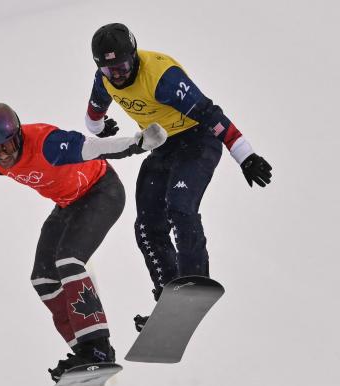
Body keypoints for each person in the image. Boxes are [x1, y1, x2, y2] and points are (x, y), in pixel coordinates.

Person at [0, 102, 167, 382]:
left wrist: (139, 142)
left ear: (18, 135)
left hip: (102, 191)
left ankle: (99, 348)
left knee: (69, 260)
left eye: (7, 146)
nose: (3, 155)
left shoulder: (47, 143)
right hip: (68, 205)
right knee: (43, 278)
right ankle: (84, 349)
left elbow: (95, 148)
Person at [84, 23, 273, 330]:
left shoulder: (162, 77)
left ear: (134, 56)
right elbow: (93, 115)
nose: (116, 75)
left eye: (121, 67)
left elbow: (211, 114)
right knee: (146, 226)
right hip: (163, 146)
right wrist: (100, 127)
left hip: (197, 141)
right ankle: (168, 296)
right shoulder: (103, 81)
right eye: (108, 70)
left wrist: (245, 155)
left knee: (180, 207)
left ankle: (194, 282)